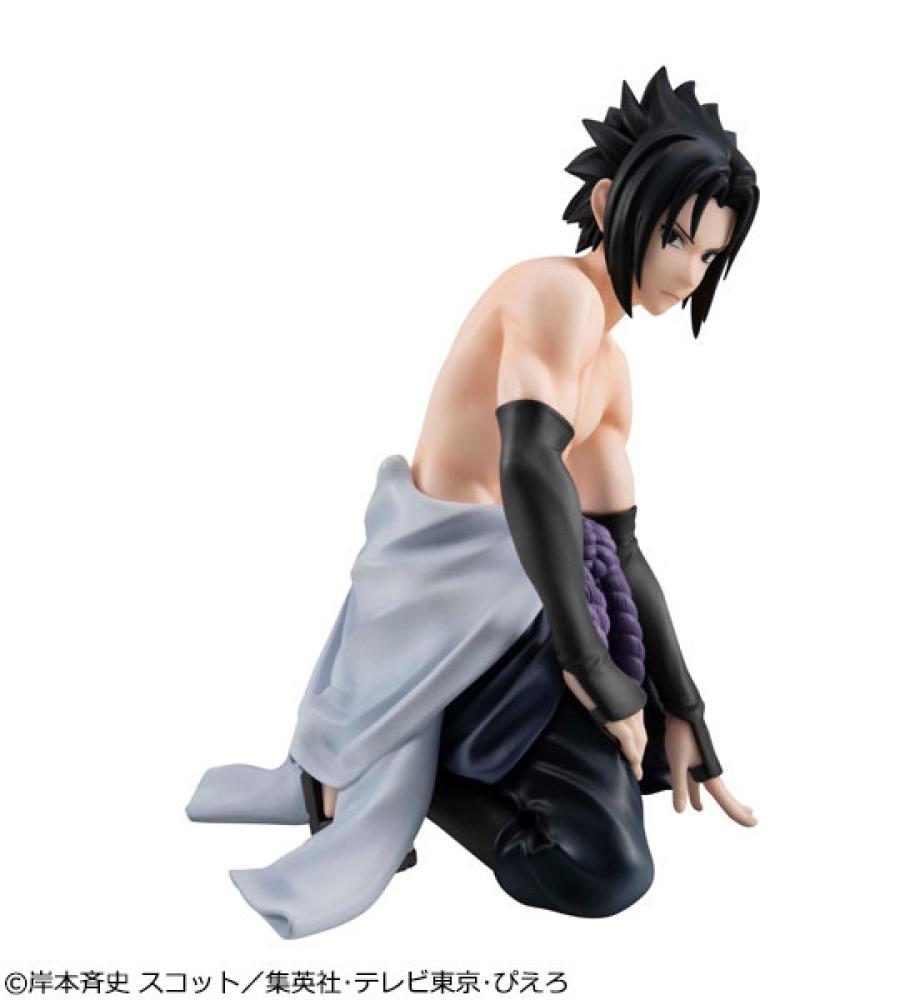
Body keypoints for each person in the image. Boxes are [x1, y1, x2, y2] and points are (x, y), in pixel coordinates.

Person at [186, 65, 760, 938]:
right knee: (601, 867)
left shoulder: (610, 371)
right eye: (675, 237)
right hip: (449, 603)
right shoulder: (555, 295)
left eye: (709, 254)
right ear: (611, 205)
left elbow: (619, 547)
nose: (688, 271)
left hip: (529, 599)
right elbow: (529, 465)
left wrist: (685, 705)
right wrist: (594, 670)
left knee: (624, 809)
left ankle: (402, 764)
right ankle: (398, 772)